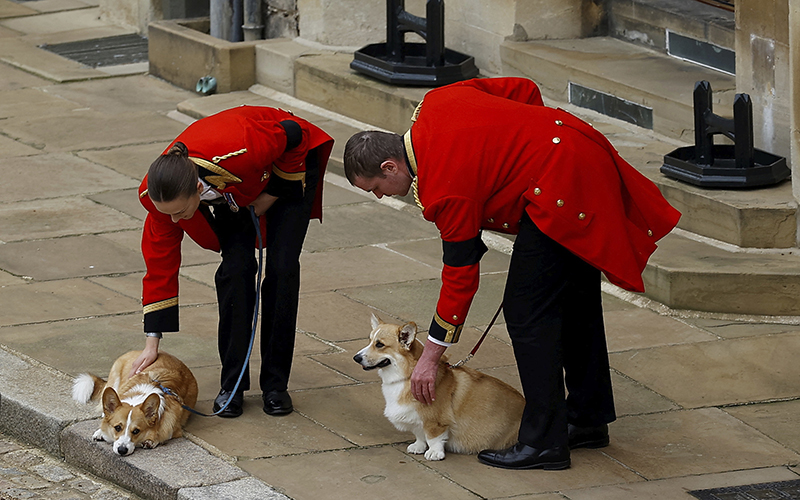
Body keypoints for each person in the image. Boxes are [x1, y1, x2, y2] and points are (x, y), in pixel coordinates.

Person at [343, 77, 680, 470]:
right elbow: (522, 90)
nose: (382, 196)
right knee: (574, 300)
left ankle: (544, 442)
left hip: (559, 189)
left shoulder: (444, 189)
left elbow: (460, 276)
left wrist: (430, 357)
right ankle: (587, 419)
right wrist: (529, 141)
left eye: (378, 188)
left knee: (527, 314)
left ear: (390, 165)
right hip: (576, 150)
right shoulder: (435, 102)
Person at [135, 105, 334, 418]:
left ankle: (275, 385)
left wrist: (272, 194)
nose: (173, 219)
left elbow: (295, 135)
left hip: (287, 164)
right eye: (167, 212)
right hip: (236, 190)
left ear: (197, 189)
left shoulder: (242, 148)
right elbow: (159, 264)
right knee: (235, 270)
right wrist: (152, 343)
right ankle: (233, 384)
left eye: (179, 211)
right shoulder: (160, 197)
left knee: (282, 269)